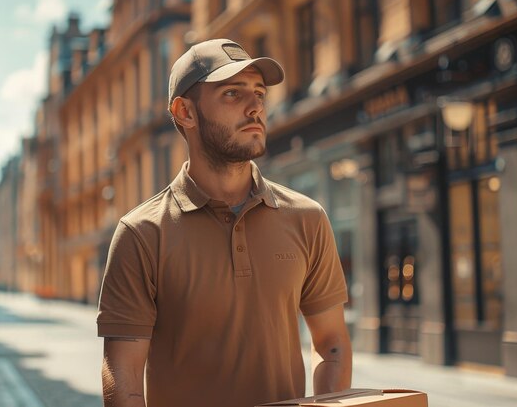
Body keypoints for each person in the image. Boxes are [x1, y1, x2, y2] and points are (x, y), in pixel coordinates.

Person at [97, 38, 352, 407]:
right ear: (185, 112)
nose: (256, 108)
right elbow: (123, 372)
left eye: (259, 93)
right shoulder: (142, 234)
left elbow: (332, 343)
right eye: (233, 94)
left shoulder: (307, 218)